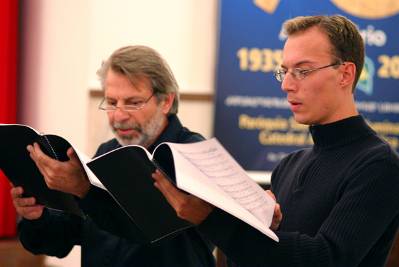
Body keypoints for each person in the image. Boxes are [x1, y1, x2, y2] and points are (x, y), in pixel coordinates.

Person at [152, 15, 399, 267]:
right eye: (285, 72)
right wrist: (257, 226)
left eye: (302, 71)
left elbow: (326, 258)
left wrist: (211, 220)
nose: (287, 85)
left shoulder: (378, 164)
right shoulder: (288, 166)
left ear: (345, 74)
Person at [11, 45, 215, 267]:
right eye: (111, 102)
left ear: (165, 101)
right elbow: (64, 240)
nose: (118, 115)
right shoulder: (107, 151)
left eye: (133, 103)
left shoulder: (193, 156)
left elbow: (149, 235)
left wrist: (84, 190)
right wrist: (37, 216)